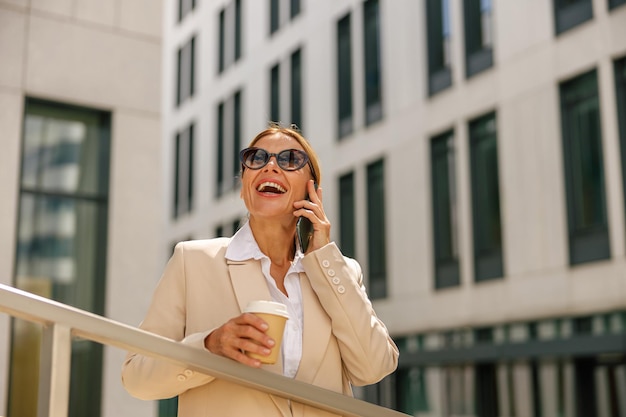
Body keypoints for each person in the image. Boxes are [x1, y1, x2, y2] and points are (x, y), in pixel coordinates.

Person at [121, 124, 399, 416]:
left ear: (313, 192)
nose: (270, 166)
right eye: (257, 158)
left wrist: (325, 258)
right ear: (244, 187)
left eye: (290, 160)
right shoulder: (192, 261)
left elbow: (374, 367)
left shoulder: (340, 272)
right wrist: (208, 347)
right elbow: (136, 377)